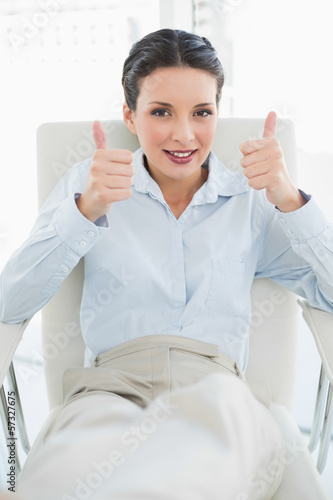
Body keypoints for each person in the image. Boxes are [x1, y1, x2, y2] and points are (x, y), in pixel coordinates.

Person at [0, 28, 332, 500]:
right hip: (108, 392)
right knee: (63, 473)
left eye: (202, 112)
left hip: (218, 390)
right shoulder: (92, 182)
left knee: (218, 427)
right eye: (161, 112)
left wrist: (291, 200)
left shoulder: (251, 199)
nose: (184, 134)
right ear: (129, 117)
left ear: (218, 112)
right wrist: (85, 210)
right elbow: (10, 301)